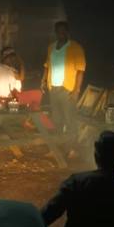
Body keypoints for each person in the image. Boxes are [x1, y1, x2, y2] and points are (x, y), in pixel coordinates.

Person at [41, 20, 86, 157]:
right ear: (55, 32)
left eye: (63, 31)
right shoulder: (51, 47)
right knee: (56, 120)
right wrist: (43, 80)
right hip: (53, 88)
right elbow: (47, 65)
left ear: (67, 32)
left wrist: (76, 90)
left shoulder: (76, 47)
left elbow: (80, 70)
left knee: (69, 119)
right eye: (58, 31)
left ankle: (72, 149)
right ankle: (57, 148)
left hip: (68, 89)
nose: (61, 33)